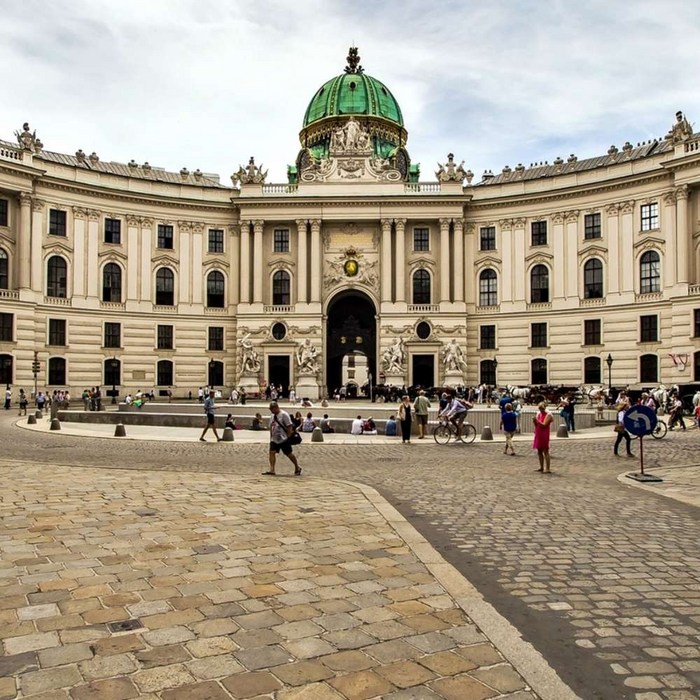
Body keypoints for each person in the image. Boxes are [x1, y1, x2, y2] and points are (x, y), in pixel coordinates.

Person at [263, 401, 302, 476]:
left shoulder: (284, 414)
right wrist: (271, 436)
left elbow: (289, 426)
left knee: (289, 453)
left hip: (284, 438)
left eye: (272, 409)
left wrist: (288, 436)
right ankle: (272, 469)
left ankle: (297, 467)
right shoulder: (272, 416)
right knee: (272, 452)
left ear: (276, 408)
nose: (271, 410)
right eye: (270, 409)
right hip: (274, 439)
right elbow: (271, 426)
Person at [532, 402, 553, 473]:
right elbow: (537, 425)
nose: (541, 410)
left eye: (542, 409)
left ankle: (548, 468)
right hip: (538, 432)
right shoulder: (539, 414)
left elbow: (544, 424)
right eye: (540, 409)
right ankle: (541, 467)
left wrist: (537, 421)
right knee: (539, 451)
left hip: (544, 433)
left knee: (545, 451)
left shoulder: (548, 415)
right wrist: (535, 421)